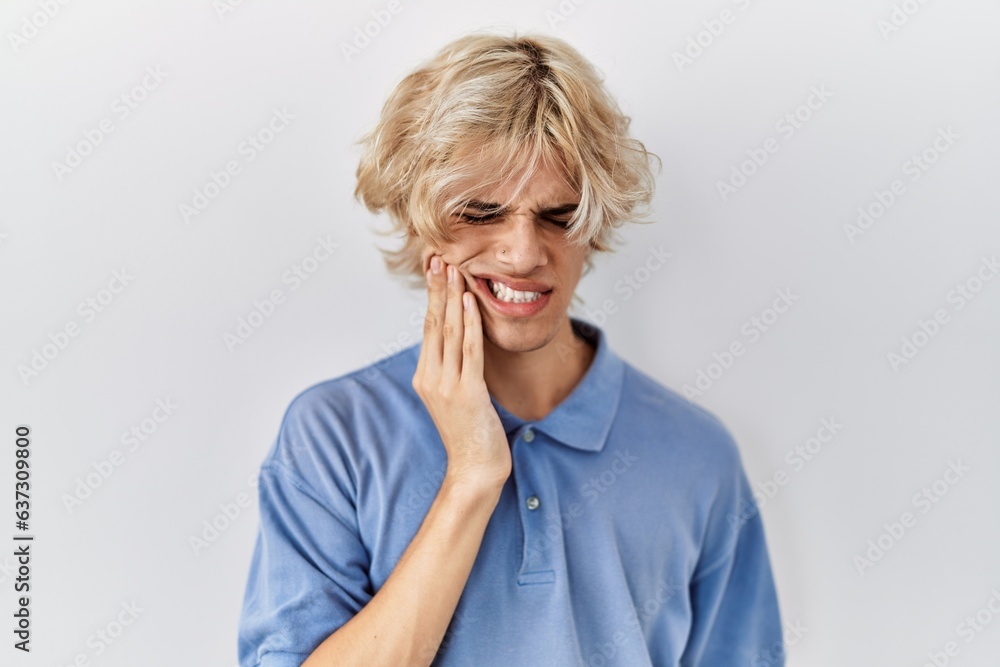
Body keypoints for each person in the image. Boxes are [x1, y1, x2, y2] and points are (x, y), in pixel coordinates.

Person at [238, 29, 784, 667]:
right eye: (480, 211)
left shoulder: (697, 455)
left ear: (595, 224)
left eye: (559, 215)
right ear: (418, 220)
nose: (523, 254)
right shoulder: (333, 436)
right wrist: (471, 478)